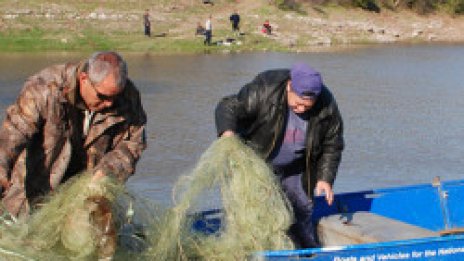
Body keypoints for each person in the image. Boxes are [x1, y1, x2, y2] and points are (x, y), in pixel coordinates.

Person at [0, 51, 147, 219]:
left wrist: (109, 170)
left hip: (85, 200)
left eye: (115, 97)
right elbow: (13, 133)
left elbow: (133, 143)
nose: (110, 104)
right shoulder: (44, 89)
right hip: (31, 195)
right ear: (84, 79)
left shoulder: (128, 97)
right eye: (103, 97)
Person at [215, 62, 344, 248]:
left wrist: (325, 178)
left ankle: (306, 252)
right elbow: (227, 106)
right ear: (289, 86)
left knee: (302, 210)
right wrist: (227, 133)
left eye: (308, 107)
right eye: (298, 104)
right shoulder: (264, 89)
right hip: (255, 167)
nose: (302, 109)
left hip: (294, 169)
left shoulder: (326, 103)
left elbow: (333, 143)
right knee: (252, 215)